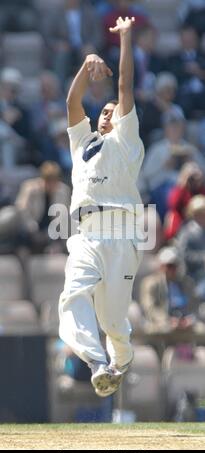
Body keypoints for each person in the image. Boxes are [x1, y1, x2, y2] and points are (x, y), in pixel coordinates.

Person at [59, 16, 144, 398]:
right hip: (85, 233)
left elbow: (125, 85)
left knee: (112, 320)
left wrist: (125, 37)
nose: (109, 113)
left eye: (114, 111)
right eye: (105, 110)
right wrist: (86, 62)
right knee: (72, 296)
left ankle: (120, 359)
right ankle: (96, 363)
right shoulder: (82, 143)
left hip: (121, 231)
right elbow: (72, 100)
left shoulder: (126, 139)